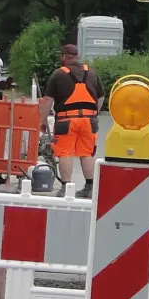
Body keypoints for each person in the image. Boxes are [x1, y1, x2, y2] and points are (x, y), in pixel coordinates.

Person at [40, 43, 104, 198]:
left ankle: (65, 188)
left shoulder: (58, 74)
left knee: (65, 153)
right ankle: (89, 188)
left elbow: (48, 99)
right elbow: (101, 96)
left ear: (64, 57)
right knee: (86, 153)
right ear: (77, 57)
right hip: (89, 120)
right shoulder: (92, 73)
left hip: (66, 120)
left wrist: (42, 120)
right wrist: (94, 112)